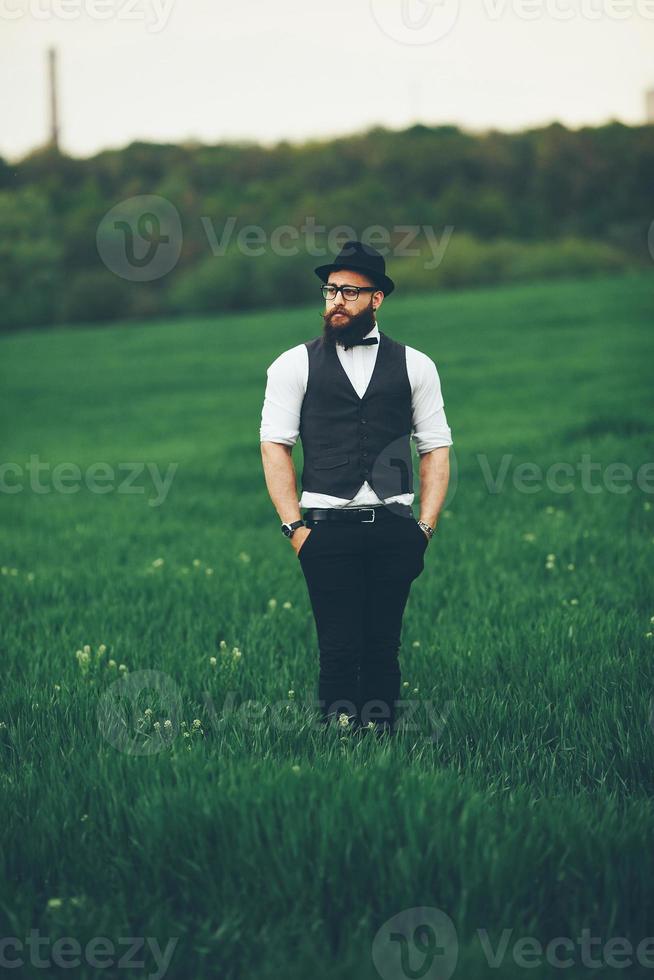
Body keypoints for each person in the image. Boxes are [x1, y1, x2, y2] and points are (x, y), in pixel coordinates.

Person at [259, 240, 452, 736]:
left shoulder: (417, 365)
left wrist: (424, 526)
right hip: (325, 530)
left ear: (376, 299)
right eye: (330, 290)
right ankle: (339, 747)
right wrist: (294, 528)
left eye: (349, 290)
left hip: (394, 527)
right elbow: (274, 446)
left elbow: (435, 448)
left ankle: (382, 745)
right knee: (339, 649)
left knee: (383, 647)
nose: (336, 300)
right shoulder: (292, 365)